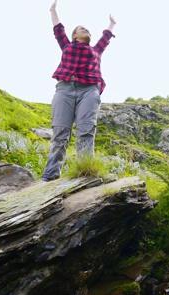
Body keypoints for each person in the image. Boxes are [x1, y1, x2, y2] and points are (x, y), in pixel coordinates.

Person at [41, 0, 117, 182]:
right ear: (74, 36)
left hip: (89, 90)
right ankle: (50, 176)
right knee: (60, 133)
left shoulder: (96, 50)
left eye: (88, 30)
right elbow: (58, 28)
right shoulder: (66, 45)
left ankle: (86, 174)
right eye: (82, 29)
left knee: (85, 131)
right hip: (65, 89)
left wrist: (112, 24)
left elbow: (105, 37)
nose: (87, 31)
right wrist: (53, 10)